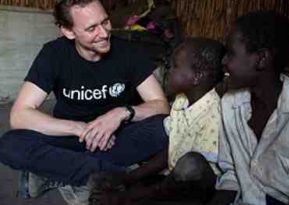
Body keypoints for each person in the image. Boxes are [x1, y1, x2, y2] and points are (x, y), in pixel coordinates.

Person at [0, 0, 169, 203]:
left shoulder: (129, 52)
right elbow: (20, 114)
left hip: (116, 137)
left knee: (164, 127)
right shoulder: (54, 54)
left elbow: (161, 105)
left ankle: (62, 173)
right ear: (69, 31)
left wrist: (122, 113)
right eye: (91, 28)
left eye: (105, 22)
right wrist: (80, 128)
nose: (104, 33)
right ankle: (116, 177)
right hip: (69, 138)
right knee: (11, 144)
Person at [208, 11, 289, 205]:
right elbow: (231, 173)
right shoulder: (229, 104)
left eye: (231, 53)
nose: (224, 61)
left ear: (262, 59)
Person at [88, 37, 225, 205]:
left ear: (197, 76)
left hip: (198, 188)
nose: (169, 71)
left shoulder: (213, 115)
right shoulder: (182, 101)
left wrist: (126, 198)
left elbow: (192, 174)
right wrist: (129, 178)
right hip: (175, 177)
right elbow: (171, 149)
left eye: (175, 66)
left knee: (190, 164)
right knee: (120, 180)